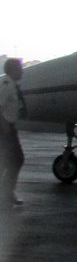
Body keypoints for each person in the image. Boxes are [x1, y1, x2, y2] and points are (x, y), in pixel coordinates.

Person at [1, 57, 26, 209]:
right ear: (13, 70)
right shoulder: (6, 84)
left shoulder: (11, 84)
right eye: (20, 68)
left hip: (8, 128)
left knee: (10, 161)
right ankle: (6, 194)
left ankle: (7, 193)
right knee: (14, 160)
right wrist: (4, 128)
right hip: (4, 129)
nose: (22, 71)